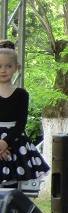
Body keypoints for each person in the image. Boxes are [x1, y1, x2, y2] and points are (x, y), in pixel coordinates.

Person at [0, 40, 50, 189]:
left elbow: (21, 122)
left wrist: (5, 143)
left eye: (8, 66)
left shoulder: (21, 94)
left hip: (14, 141)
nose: (3, 70)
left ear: (16, 67)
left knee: (11, 190)